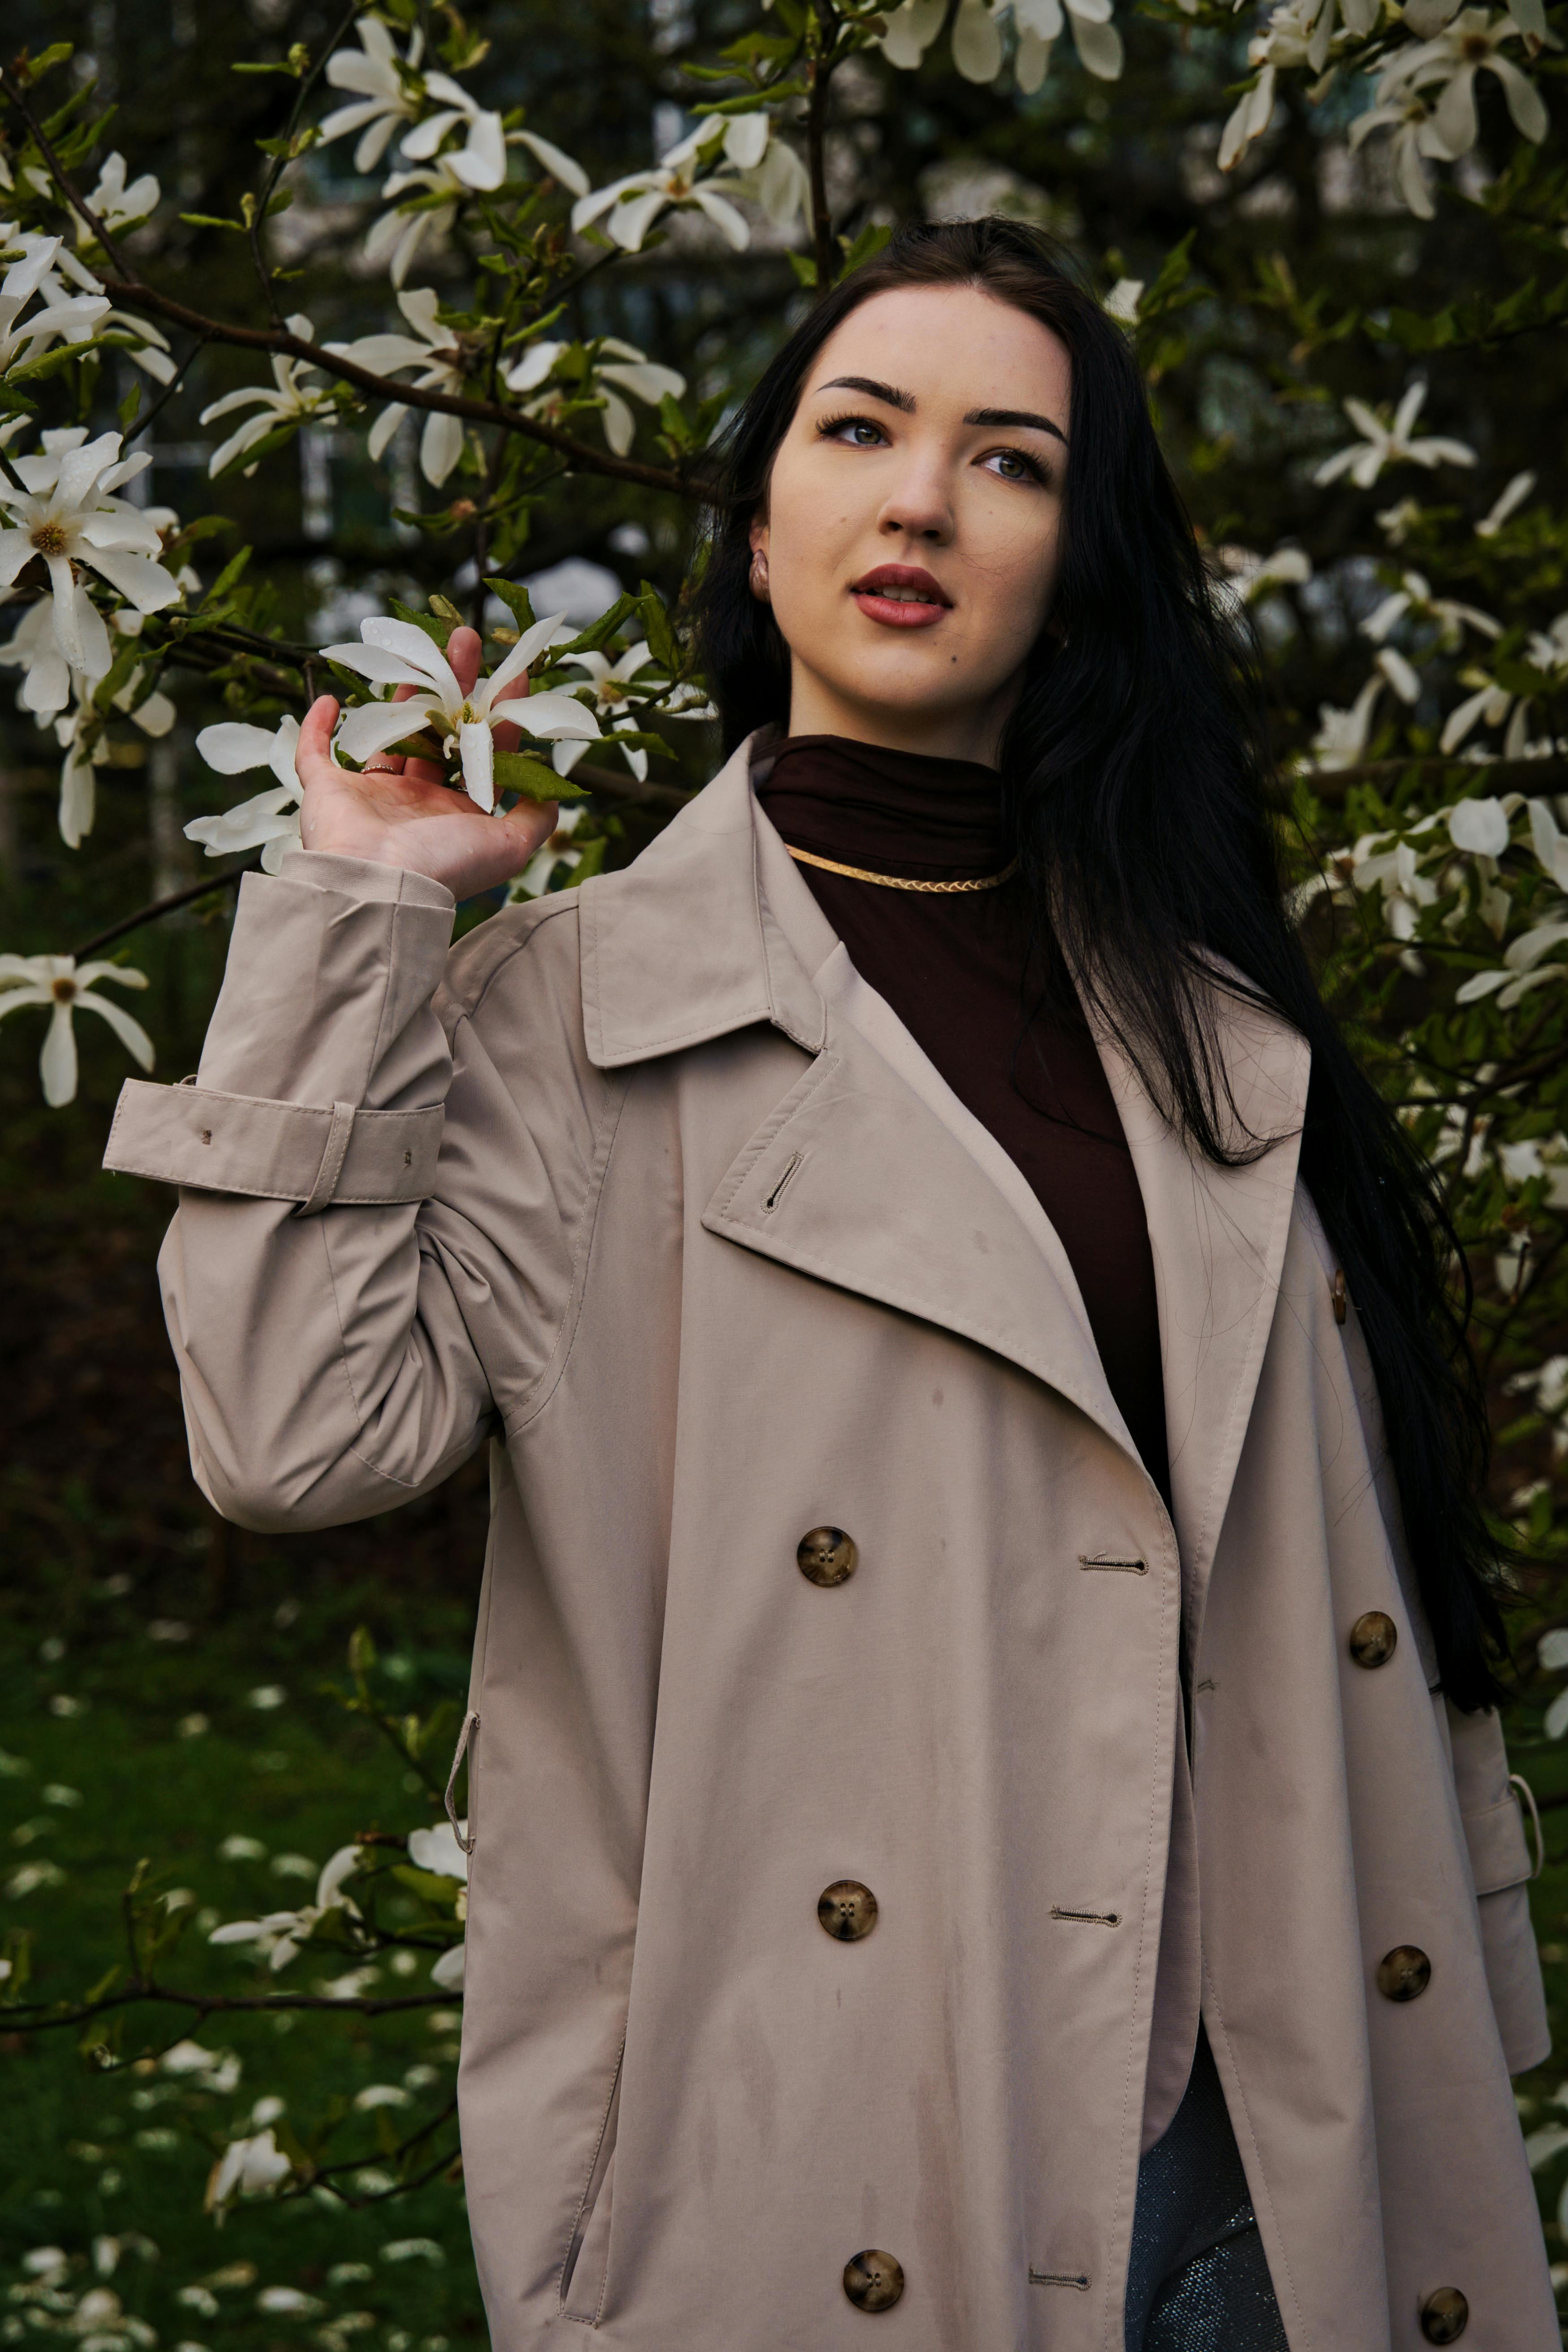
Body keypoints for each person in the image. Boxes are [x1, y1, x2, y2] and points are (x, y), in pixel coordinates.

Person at [105, 219, 1554, 2350]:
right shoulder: (572, 1014)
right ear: (761, 516)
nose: (917, 498)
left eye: (1011, 459)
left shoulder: (1211, 1019)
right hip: (840, 2142)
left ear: (1076, 567)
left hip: (1273, 2158)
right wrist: (361, 912)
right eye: (858, 427)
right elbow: (291, 1437)